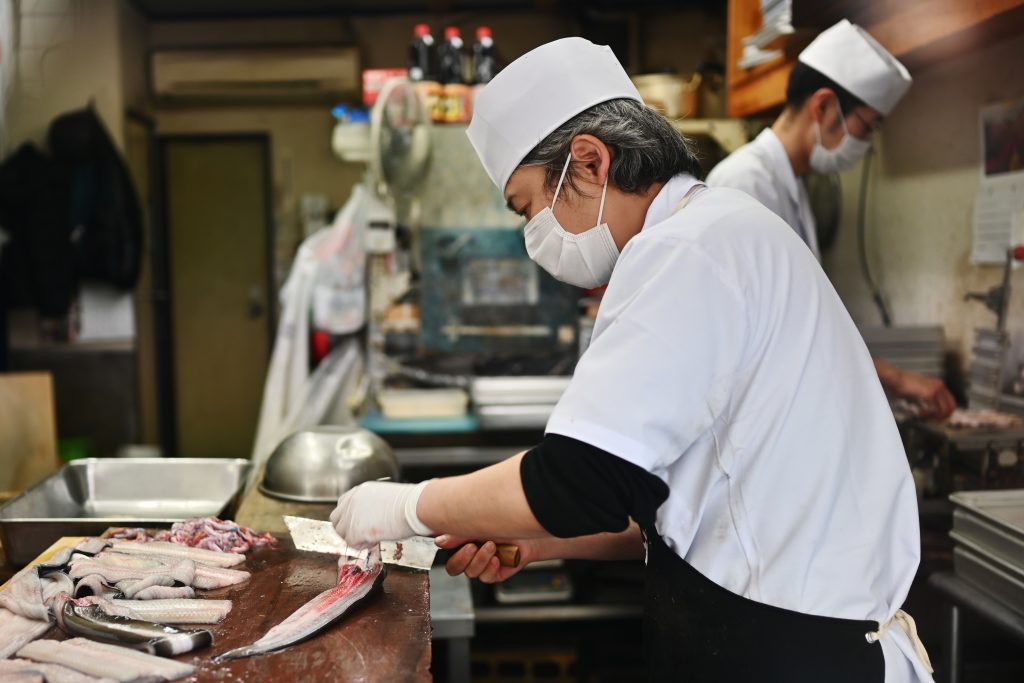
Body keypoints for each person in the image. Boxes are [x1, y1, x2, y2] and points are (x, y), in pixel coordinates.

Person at [331, 37, 934, 682]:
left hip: (789, 650)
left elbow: (580, 479)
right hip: (769, 632)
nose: (534, 235)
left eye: (529, 206)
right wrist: (541, 542)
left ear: (588, 162)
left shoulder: (687, 249)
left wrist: (406, 506)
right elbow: (679, 499)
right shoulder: (713, 230)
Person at [707, 19, 955, 421]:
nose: (867, 144)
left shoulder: (790, 187)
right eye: (867, 127)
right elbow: (785, 329)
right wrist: (895, 378)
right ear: (822, 106)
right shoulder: (746, 185)